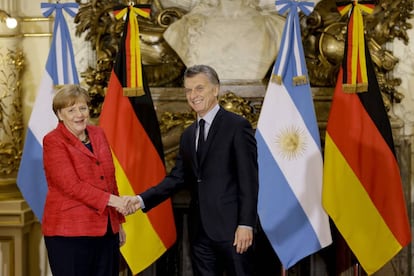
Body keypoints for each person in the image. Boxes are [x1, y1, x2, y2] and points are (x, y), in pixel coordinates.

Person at [126, 65, 259, 276]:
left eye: (199, 88)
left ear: (215, 90)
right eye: (188, 90)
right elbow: (177, 177)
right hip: (200, 232)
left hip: (233, 231)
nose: (193, 95)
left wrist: (246, 224)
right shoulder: (189, 134)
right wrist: (141, 199)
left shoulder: (237, 126)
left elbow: (249, 180)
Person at [42, 84, 131, 276]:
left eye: (82, 108)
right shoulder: (53, 141)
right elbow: (71, 186)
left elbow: (109, 179)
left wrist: (118, 223)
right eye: (71, 110)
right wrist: (115, 201)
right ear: (60, 114)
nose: (79, 114)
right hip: (69, 233)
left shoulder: (98, 134)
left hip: (106, 231)